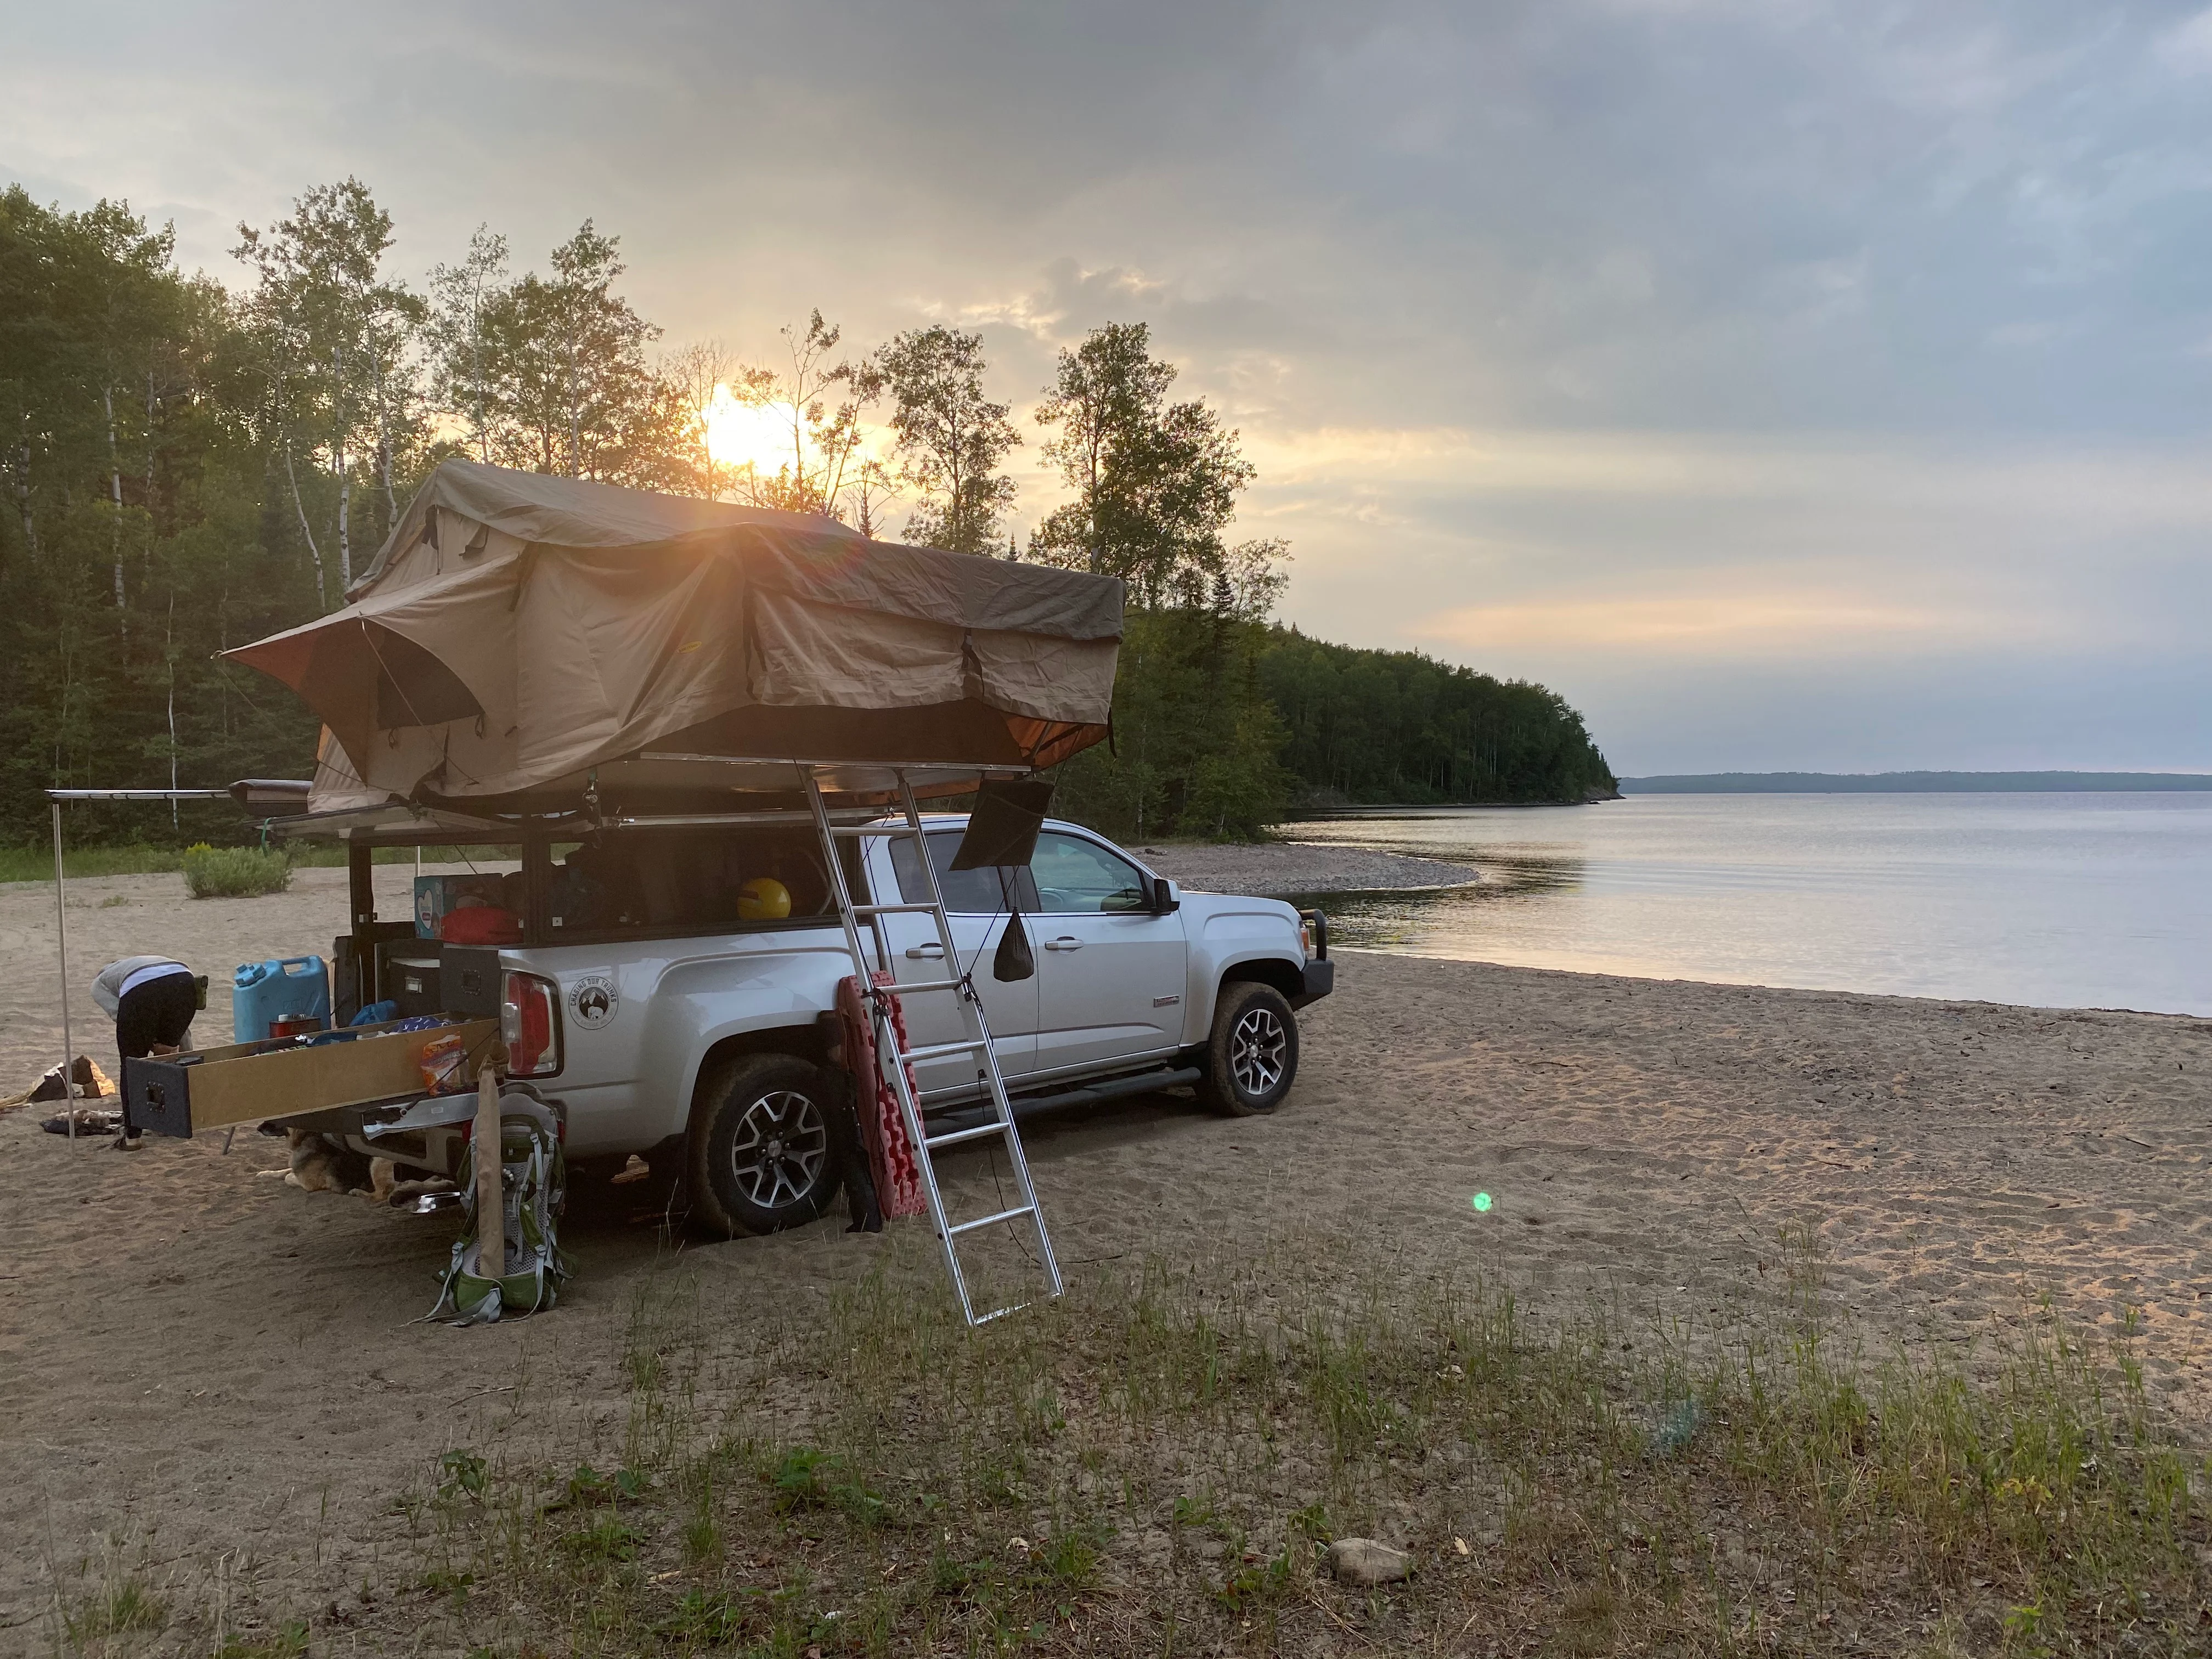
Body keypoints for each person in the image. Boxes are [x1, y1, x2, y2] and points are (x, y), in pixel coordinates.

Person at [90, 955, 197, 1147]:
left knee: (132, 1064)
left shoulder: (99, 983)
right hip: (185, 980)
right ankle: (176, 1119)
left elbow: (119, 1013)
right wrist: (167, 1044)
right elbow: (184, 1037)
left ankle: (132, 1137)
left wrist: (149, 1041)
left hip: (143, 988)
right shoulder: (134, 964)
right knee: (169, 1058)